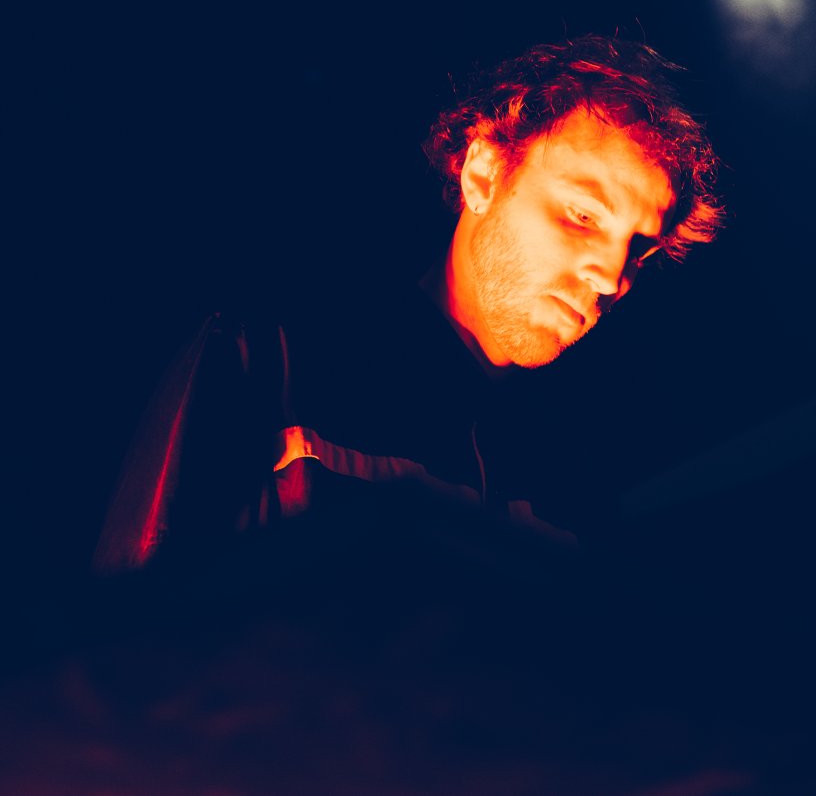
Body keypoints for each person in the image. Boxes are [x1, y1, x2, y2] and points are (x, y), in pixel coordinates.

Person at [92, 35, 723, 577]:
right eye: (582, 216)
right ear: (482, 174)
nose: (610, 277)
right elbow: (126, 644)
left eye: (638, 250)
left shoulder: (578, 485)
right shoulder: (271, 360)